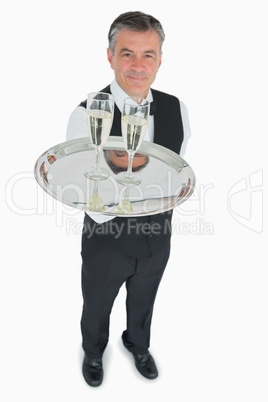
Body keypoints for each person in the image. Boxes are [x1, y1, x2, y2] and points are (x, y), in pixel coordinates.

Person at [66, 11, 191, 387]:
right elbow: (80, 186)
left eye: (148, 54)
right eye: (127, 54)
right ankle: (93, 349)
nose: (139, 66)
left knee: (145, 299)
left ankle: (137, 343)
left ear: (160, 59)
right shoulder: (86, 113)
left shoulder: (176, 108)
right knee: (98, 303)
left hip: (158, 233)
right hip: (106, 238)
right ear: (110, 56)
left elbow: (175, 171)